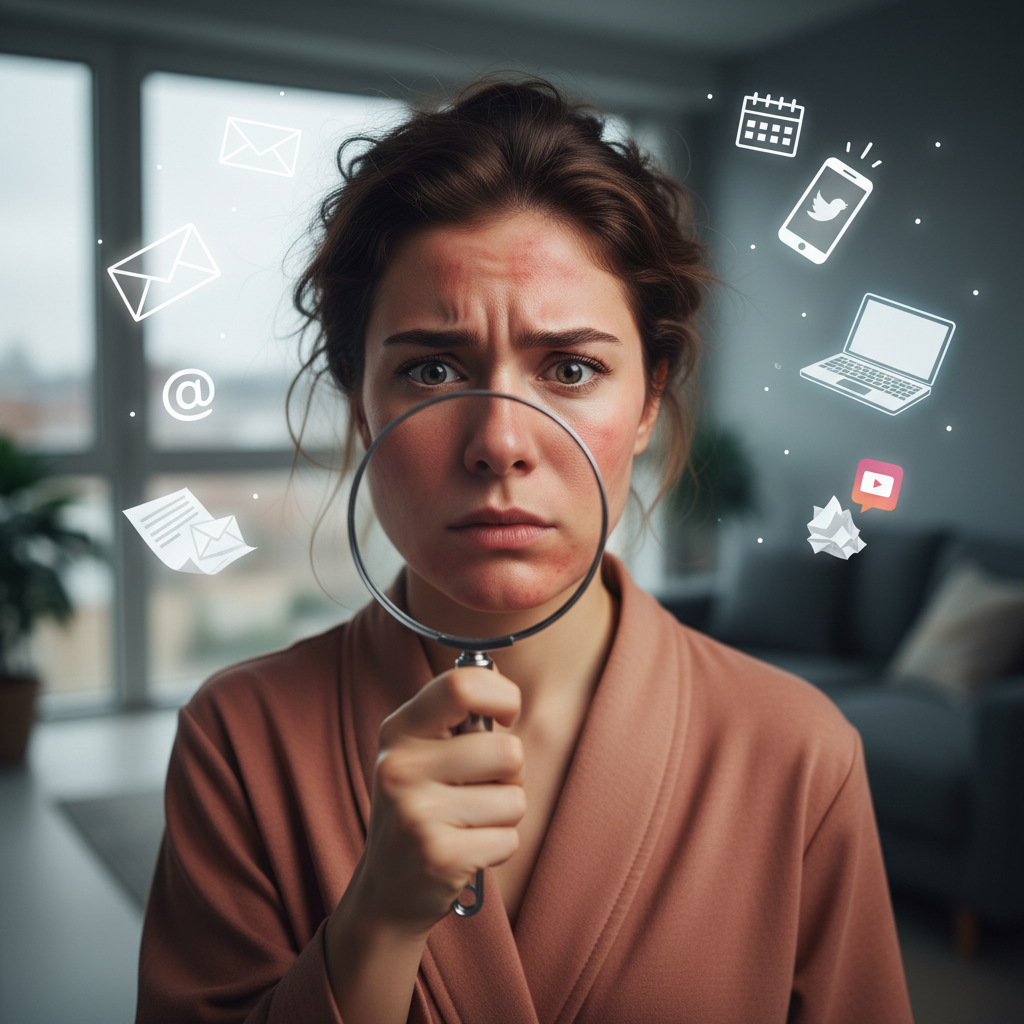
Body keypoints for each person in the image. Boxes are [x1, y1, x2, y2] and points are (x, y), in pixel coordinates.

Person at [136, 77, 914, 1024]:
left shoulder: (801, 755)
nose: (500, 442)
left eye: (571, 368)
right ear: (360, 400)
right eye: (431, 368)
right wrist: (376, 924)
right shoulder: (238, 740)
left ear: (650, 400)